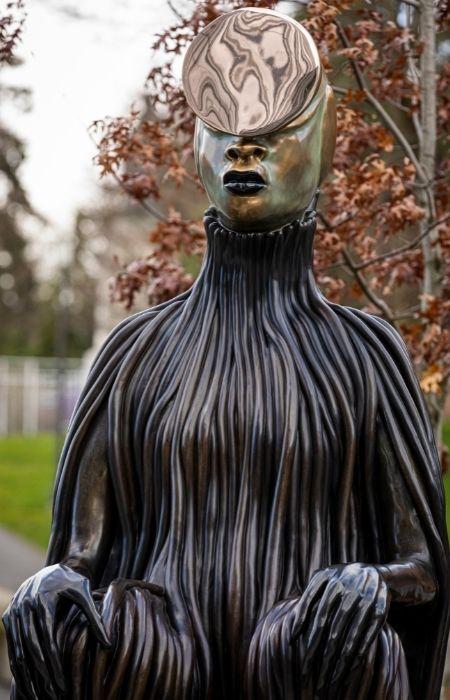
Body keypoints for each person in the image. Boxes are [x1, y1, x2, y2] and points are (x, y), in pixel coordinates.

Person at [4, 8, 449, 699]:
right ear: (198, 146)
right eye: (227, 132)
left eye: (273, 135)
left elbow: (421, 565)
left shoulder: (364, 357)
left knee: (326, 645)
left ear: (319, 137)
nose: (246, 151)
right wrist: (49, 582)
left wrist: (370, 581)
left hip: (310, 662)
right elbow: (79, 556)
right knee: (108, 633)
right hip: (155, 665)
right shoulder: (136, 355)